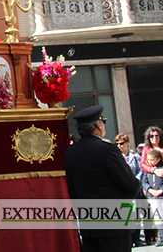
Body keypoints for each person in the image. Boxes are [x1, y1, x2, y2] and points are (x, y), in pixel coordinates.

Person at [64, 106, 140, 252]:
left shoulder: (71, 152)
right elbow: (130, 184)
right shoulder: (108, 150)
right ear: (99, 125)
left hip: (89, 224)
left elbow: (72, 189)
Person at [141, 149, 163, 246]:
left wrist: (161, 190)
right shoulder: (148, 171)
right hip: (152, 196)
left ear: (158, 159)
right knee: (157, 216)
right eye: (148, 160)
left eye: (152, 160)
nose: (150, 162)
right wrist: (150, 190)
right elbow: (144, 182)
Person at [115, 133, 143, 247]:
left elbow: (141, 170)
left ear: (127, 144)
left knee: (136, 215)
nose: (119, 146)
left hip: (134, 188)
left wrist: (135, 182)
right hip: (122, 190)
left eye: (121, 144)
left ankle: (136, 238)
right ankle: (128, 239)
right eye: (117, 144)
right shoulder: (115, 157)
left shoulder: (135, 157)